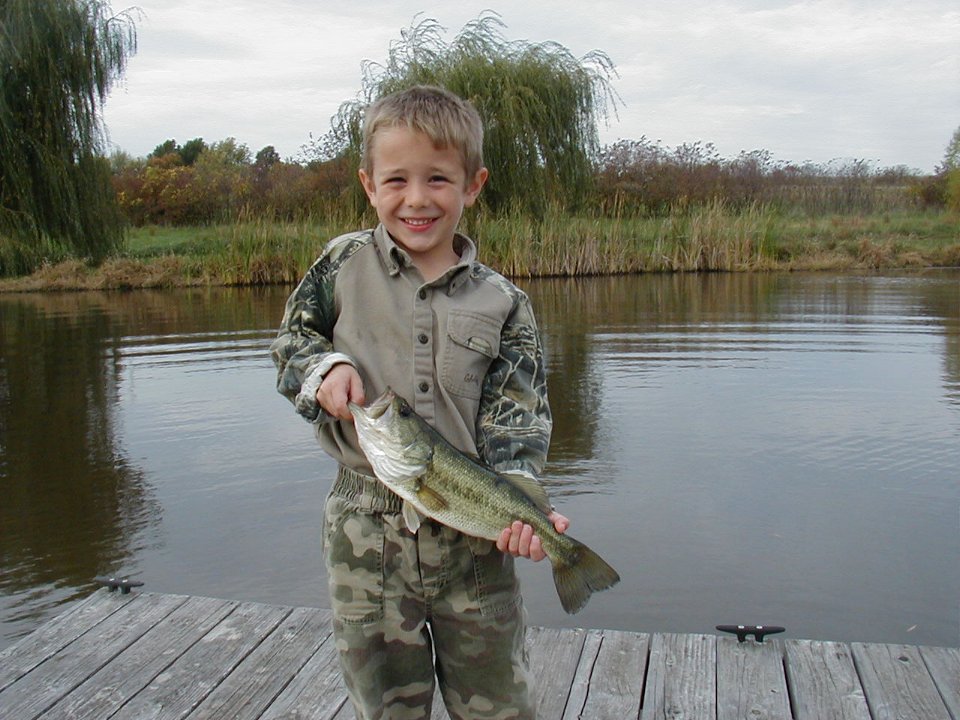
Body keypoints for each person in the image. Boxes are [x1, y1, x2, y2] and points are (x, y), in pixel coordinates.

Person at [270, 84, 568, 720]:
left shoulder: (505, 302)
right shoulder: (341, 264)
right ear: (369, 185)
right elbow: (291, 343)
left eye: (438, 178)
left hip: (476, 543)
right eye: (396, 179)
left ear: (473, 185)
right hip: (363, 530)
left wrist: (523, 499)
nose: (416, 198)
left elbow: (517, 420)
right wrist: (326, 367)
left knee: (498, 706)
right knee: (385, 706)